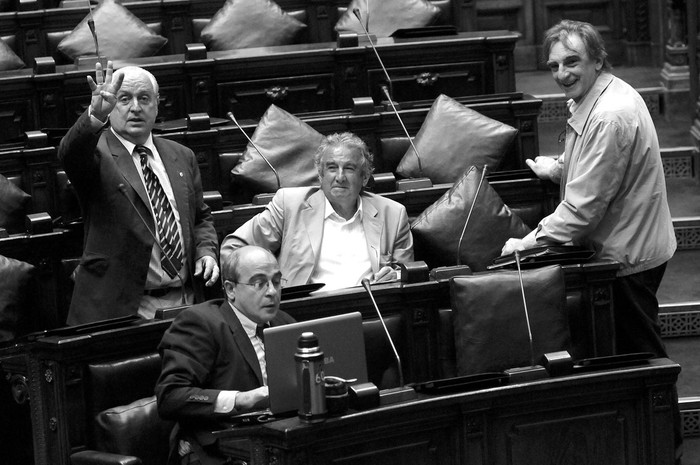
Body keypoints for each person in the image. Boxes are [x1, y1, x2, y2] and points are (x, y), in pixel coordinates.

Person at [501, 20, 680, 460]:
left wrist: (530, 241)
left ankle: (666, 447)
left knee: (644, 363)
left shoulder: (609, 114)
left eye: (572, 61)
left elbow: (583, 210)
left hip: (627, 254)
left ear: (598, 59)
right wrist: (560, 167)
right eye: (555, 64)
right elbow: (599, 167)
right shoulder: (601, 95)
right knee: (635, 358)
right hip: (629, 244)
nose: (561, 73)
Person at [59, 62, 219, 324]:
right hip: (123, 309)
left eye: (144, 98)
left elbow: (200, 218)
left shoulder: (182, 155)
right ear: (112, 107)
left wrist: (206, 251)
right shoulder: (96, 154)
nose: (135, 107)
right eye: (124, 99)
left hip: (187, 301)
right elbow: (70, 153)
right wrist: (94, 116)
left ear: (156, 106)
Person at [221, 132, 414, 292]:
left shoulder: (393, 214)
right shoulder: (290, 205)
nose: (339, 177)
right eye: (331, 168)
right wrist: (262, 283)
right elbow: (235, 248)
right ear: (320, 175)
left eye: (349, 168)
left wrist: (395, 276)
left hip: (370, 310)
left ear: (364, 178)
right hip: (304, 313)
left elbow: (407, 272)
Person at [156, 245, 295, 465]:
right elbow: (171, 396)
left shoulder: (285, 324)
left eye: (276, 282)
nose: (271, 291)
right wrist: (240, 399)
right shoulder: (201, 324)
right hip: (217, 452)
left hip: (280, 444)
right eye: (259, 283)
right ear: (230, 289)